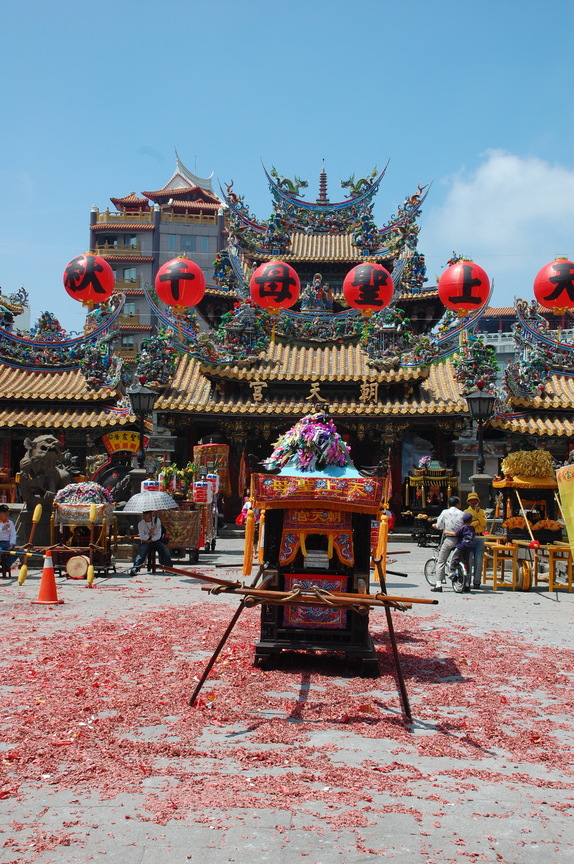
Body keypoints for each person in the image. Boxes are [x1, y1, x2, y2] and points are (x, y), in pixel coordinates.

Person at [432, 495, 463, 592]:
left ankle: (438, 584)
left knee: (441, 561)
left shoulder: (445, 512)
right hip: (460, 540)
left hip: (449, 539)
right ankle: (465, 582)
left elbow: (440, 526)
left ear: (449, 504)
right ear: (458, 504)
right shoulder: (462, 513)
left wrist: (435, 525)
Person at [129, 511, 172, 576]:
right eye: (145, 514)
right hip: (146, 542)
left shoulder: (157, 521)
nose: (146, 516)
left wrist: (151, 540)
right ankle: (135, 568)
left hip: (156, 541)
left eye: (148, 514)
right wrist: (149, 534)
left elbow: (158, 535)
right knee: (142, 551)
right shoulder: (141, 524)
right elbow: (142, 538)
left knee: (164, 549)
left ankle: (168, 568)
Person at [465, 492, 487, 589]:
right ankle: (468, 580)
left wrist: (477, 515)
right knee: (469, 560)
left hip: (479, 537)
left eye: (475, 500)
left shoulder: (482, 511)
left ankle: (477, 581)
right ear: (469, 501)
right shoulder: (466, 512)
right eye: (471, 500)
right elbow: (468, 525)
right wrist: (477, 522)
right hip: (470, 537)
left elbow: (484, 523)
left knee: (479, 560)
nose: (474, 502)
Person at [449, 511, 475, 591]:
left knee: (454, 558)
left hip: (461, 546)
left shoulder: (462, 527)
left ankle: (452, 572)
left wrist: (446, 532)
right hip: (469, 547)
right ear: (471, 521)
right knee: (466, 562)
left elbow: (455, 534)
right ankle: (467, 582)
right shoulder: (472, 528)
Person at [0, 505, 18, 575]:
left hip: (7, 542)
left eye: (8, 512)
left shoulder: (10, 523)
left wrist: (12, 543)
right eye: (5, 512)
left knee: (19, 551)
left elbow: (13, 534)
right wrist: (2, 529)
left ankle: (7, 565)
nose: (7, 514)